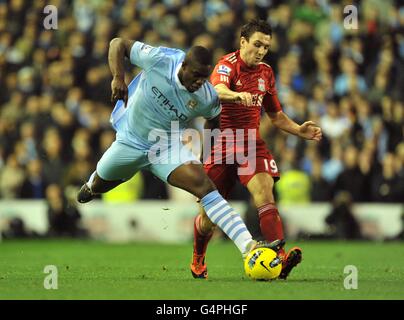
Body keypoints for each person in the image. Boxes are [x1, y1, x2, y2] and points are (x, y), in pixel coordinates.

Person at [76, 37, 281, 262]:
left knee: (206, 188)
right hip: (130, 140)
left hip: (166, 147)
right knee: (100, 184)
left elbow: (214, 121)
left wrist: (206, 157)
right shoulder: (161, 60)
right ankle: (93, 183)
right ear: (184, 66)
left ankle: (249, 247)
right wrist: (118, 78)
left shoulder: (207, 95)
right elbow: (117, 43)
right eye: (196, 76)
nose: (199, 83)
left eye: (204, 77)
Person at [191, 19, 322, 280]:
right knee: (208, 218)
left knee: (264, 193)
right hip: (222, 144)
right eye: (257, 44)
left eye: (266, 46)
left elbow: (275, 115)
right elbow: (217, 90)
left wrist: (298, 130)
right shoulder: (226, 65)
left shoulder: (266, 73)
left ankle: (280, 260)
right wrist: (237, 95)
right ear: (243, 42)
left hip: (251, 144)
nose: (261, 51)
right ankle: (198, 257)